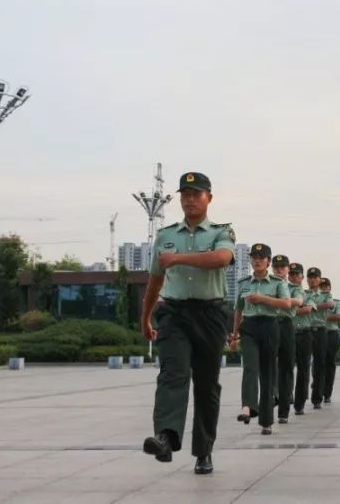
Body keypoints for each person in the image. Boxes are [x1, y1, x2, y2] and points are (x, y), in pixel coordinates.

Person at [140, 171, 236, 475]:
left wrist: (178, 259)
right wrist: (145, 317)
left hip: (210, 314)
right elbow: (155, 279)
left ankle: (204, 450)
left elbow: (221, 259)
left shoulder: (222, 232)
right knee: (172, 374)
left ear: (209, 198)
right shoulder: (165, 235)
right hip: (174, 314)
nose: (190, 199)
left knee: (207, 386)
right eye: (185, 194)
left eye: (196, 194)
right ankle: (166, 437)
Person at [230, 243, 291, 435]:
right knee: (250, 367)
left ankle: (266, 420)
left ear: (268, 261)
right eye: (253, 257)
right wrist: (234, 334)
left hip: (270, 327)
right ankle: (247, 407)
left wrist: (263, 299)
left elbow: (287, 304)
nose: (257, 260)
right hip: (249, 328)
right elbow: (238, 310)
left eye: (261, 257)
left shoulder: (278, 283)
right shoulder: (243, 283)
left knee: (267, 373)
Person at [271, 255, 300, 424]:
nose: (279, 269)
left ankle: (284, 410)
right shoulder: (267, 285)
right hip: (269, 324)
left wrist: (283, 301)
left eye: (282, 267)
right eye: (276, 267)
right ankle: (271, 399)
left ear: (288, 269)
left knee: (286, 368)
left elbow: (299, 301)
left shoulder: (294, 287)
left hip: (287, 325)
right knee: (268, 365)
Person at [308, 272, 334, 409]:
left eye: (315, 277)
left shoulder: (325, 295)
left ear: (319, 279)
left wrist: (310, 307)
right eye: (310, 277)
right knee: (300, 365)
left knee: (320, 364)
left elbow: (329, 304)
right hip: (305, 330)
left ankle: (317, 398)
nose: (312, 280)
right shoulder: (303, 293)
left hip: (320, 331)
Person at [292, 265, 315, 416]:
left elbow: (309, 309)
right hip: (289, 333)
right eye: (291, 274)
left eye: (297, 274)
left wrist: (289, 308)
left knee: (303, 369)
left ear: (302, 277)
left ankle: (299, 403)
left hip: (305, 334)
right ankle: (286, 396)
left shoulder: (309, 294)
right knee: (285, 367)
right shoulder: (283, 291)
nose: (293, 277)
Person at [320, 277, 340, 403]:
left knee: (329, 364)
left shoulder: (336, 303)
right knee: (318, 364)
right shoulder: (313, 301)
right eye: (321, 286)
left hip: (331, 334)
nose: (323, 288)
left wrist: (322, 316)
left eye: (325, 286)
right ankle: (318, 388)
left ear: (329, 288)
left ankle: (327, 393)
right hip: (317, 334)